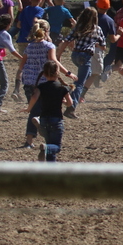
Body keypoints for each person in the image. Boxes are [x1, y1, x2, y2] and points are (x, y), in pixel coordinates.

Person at [17, 20, 76, 149]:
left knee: (34, 109)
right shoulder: (49, 46)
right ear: (47, 31)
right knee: (45, 110)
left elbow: (22, 64)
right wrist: (68, 73)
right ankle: (44, 130)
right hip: (44, 81)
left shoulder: (29, 46)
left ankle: (29, 140)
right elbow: (53, 61)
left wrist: (19, 78)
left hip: (28, 81)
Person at [56, 7, 106, 116]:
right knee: (80, 83)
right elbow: (103, 47)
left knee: (86, 75)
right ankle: (71, 108)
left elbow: (67, 40)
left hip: (75, 55)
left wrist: (58, 55)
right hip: (85, 56)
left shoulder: (78, 27)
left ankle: (69, 93)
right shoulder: (97, 29)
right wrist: (95, 44)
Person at [23, 61, 73, 162]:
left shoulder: (41, 87)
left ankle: (51, 172)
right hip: (56, 120)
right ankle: (46, 148)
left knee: (50, 149)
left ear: (44, 74)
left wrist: (28, 109)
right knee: (56, 147)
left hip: (44, 119)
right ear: (58, 73)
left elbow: (34, 98)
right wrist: (63, 102)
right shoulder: (62, 88)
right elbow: (70, 103)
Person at [11, 0, 45, 100]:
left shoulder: (25, 10)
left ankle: (16, 90)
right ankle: (34, 89)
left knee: (22, 66)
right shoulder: (40, 10)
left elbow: (19, 24)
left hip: (21, 40)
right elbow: (36, 21)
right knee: (36, 66)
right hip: (32, 41)